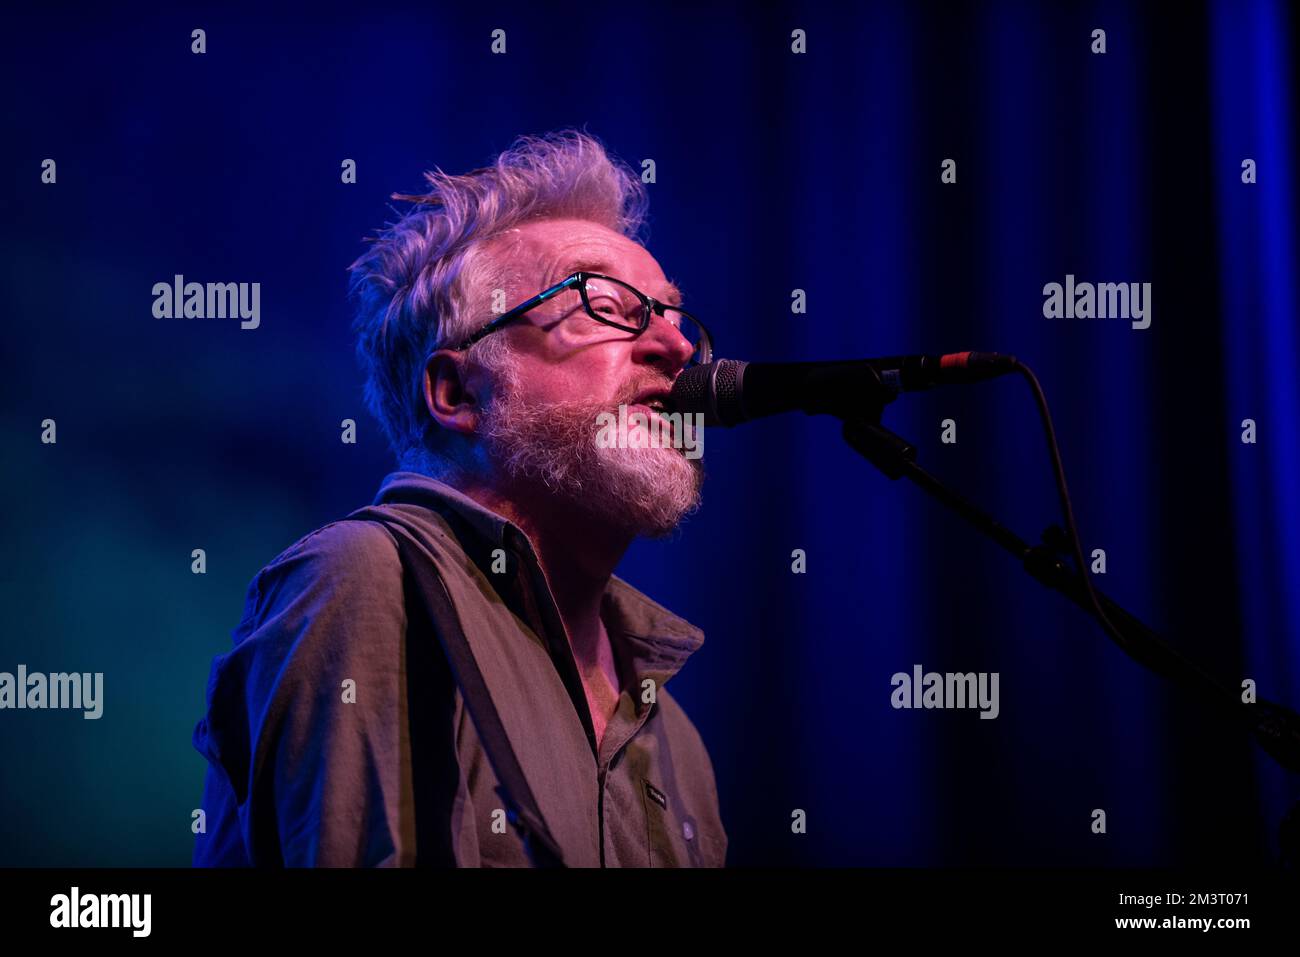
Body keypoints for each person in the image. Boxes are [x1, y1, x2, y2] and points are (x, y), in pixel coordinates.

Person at [191, 129, 727, 867]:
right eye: (607, 304)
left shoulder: (677, 739)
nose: (675, 346)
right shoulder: (371, 583)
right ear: (457, 393)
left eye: (669, 314)